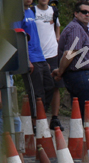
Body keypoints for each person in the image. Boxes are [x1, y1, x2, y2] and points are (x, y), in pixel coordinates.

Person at [52, 0, 89, 141]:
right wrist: (60, 71)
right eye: (84, 12)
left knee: (85, 115)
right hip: (84, 76)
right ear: (76, 13)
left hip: (81, 76)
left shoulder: (80, 28)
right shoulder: (76, 28)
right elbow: (70, 53)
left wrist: (60, 70)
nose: (88, 15)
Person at [14, 0, 56, 126]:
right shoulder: (17, 14)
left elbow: (35, 36)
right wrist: (26, 60)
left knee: (50, 87)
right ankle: (35, 123)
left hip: (40, 57)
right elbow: (16, 37)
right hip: (30, 57)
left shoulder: (31, 12)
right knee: (36, 92)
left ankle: (40, 117)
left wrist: (43, 59)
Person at [32, 0, 65, 131]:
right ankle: (38, 118)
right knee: (39, 88)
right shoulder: (32, 11)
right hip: (38, 54)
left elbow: (57, 26)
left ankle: (55, 117)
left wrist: (57, 38)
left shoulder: (53, 11)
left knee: (56, 86)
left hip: (53, 53)